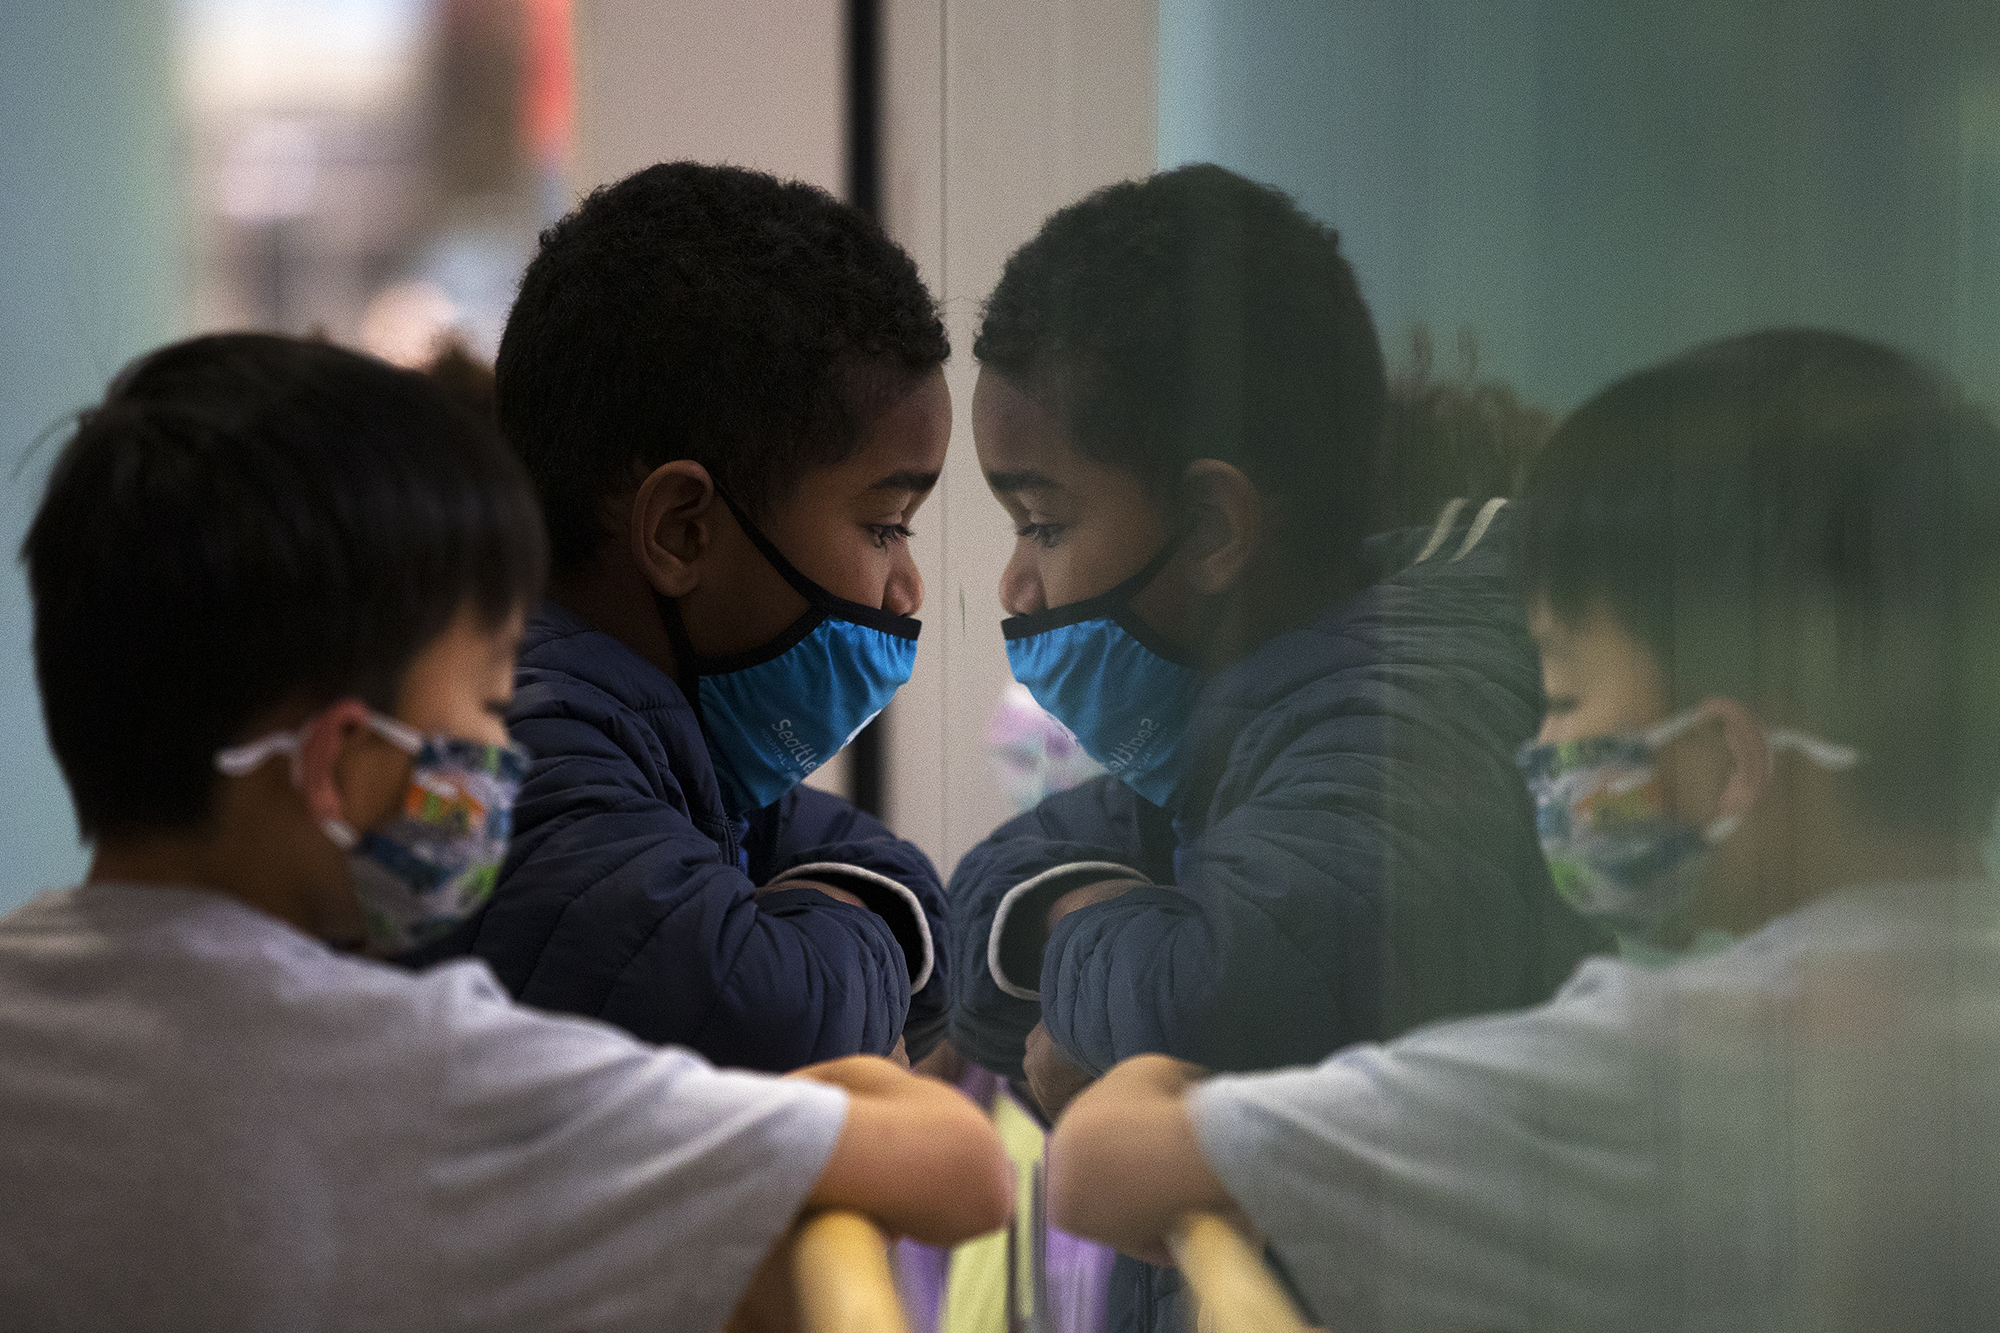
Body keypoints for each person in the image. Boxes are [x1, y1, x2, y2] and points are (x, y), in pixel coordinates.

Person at [0, 333, 1011, 1332]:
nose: (505, 754)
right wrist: (848, 1083)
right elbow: (960, 1174)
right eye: (486, 705)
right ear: (337, 767)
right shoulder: (431, 1079)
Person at [1047, 328, 2000, 1331]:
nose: (1541, 745)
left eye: (1565, 691)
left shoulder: (1665, 1079)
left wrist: (1152, 1068)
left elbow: (1109, 1169)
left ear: (1723, 761)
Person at [946, 163, 1602, 1330]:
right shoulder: (1254, 703)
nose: (1014, 580)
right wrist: (1087, 942)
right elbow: (994, 881)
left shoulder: (1408, 714)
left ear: (1210, 527)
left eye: (1043, 522)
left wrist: (1079, 937)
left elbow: (1225, 987)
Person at [411, 162, 954, 1071]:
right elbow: (764, 1014)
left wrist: (856, 913)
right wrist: (864, 928)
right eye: (884, 526)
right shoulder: (525, 760)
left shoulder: (671, 751)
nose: (908, 589)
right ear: (683, 530)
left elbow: (891, 869)